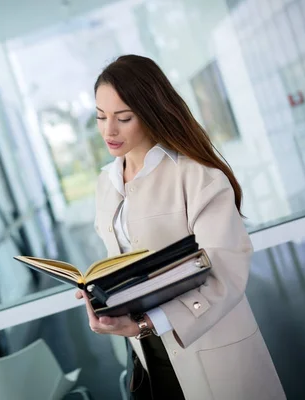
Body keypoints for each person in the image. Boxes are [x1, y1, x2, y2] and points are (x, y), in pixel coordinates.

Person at [75, 55, 285, 400]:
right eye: (100, 117)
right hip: (148, 353)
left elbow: (227, 275)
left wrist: (148, 322)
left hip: (210, 344)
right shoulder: (105, 184)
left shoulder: (197, 176)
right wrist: (103, 294)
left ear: (151, 112)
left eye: (123, 118)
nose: (108, 131)